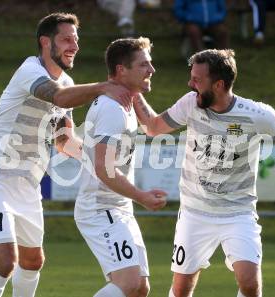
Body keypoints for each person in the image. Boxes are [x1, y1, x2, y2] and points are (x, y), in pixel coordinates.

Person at [0, 12, 132, 297]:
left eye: (76, 40)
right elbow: (57, 97)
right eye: (67, 39)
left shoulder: (68, 84)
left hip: (27, 184)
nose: (75, 46)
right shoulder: (30, 71)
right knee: (6, 260)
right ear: (46, 42)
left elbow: (64, 141)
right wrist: (103, 87)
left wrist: (97, 160)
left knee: (33, 261)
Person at [132, 49, 275, 297]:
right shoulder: (190, 103)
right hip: (195, 213)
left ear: (219, 84)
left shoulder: (256, 114)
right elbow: (154, 128)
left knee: (250, 285)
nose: (190, 84)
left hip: (238, 213)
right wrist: (133, 93)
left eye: (197, 80)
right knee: (181, 289)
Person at [74, 37, 167, 297]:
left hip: (117, 207)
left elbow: (153, 128)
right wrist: (142, 197)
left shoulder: (127, 101)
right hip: (99, 207)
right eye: (143, 65)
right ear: (120, 70)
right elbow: (104, 170)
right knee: (127, 283)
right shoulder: (110, 108)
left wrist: (134, 92)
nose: (152, 70)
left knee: (139, 288)